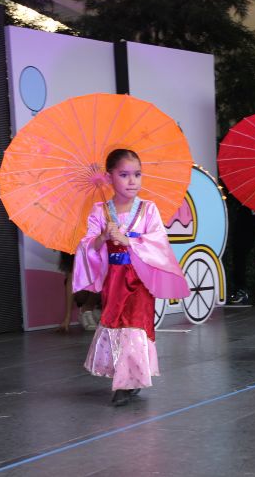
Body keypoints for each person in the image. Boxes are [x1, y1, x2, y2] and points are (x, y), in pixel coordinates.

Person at [72, 149, 190, 406]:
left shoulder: (148, 209)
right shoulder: (100, 210)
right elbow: (87, 245)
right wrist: (102, 237)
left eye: (137, 174)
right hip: (114, 279)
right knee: (115, 324)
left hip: (139, 279)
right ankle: (131, 378)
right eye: (124, 175)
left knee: (134, 326)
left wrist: (129, 240)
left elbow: (159, 242)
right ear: (109, 177)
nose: (132, 181)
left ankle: (123, 385)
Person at [56, 251, 101, 332]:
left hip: (98, 291)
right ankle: (86, 311)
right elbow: (71, 281)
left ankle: (92, 310)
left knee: (106, 273)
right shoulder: (71, 247)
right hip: (81, 291)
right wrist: (67, 318)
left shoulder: (99, 243)